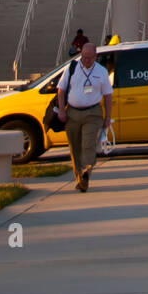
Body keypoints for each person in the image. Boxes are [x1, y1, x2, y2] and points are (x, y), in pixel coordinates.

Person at [56, 41, 112, 192]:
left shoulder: (101, 72)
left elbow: (107, 95)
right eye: (84, 57)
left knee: (88, 145)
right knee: (75, 147)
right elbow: (61, 90)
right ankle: (79, 177)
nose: (86, 60)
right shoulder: (72, 68)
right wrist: (61, 110)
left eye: (89, 58)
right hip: (72, 113)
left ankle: (86, 172)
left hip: (93, 113)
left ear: (95, 57)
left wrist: (107, 117)